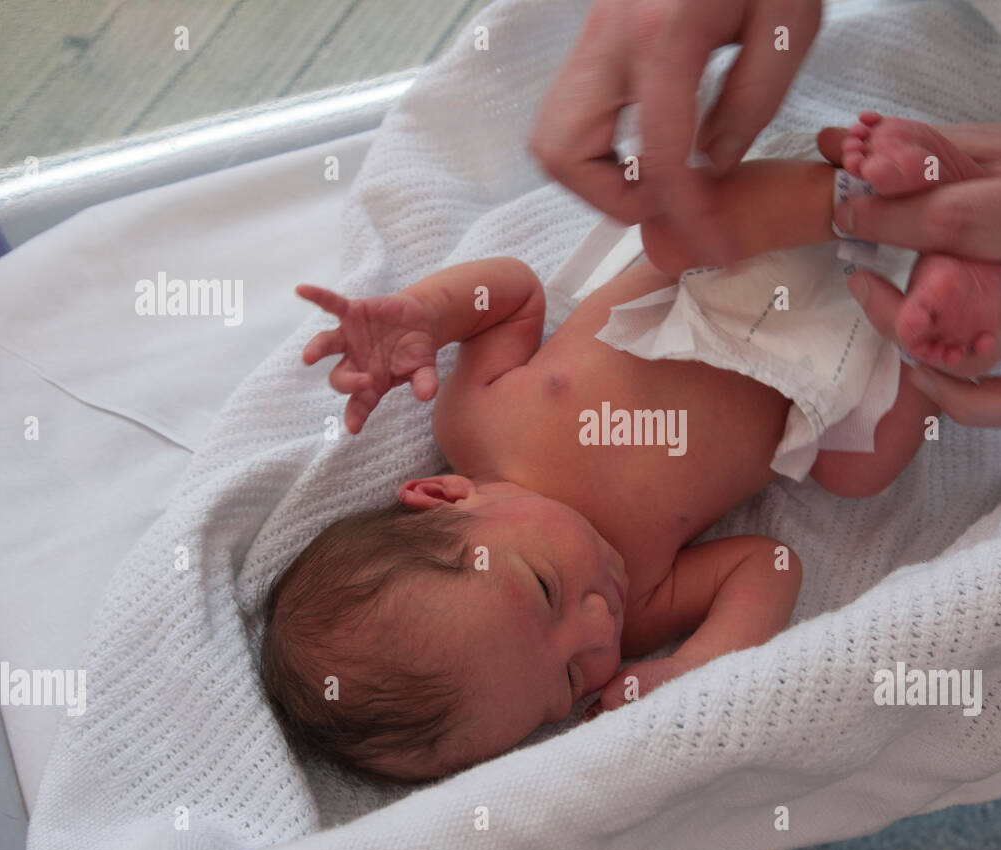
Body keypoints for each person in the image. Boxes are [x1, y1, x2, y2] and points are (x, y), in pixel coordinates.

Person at [263, 152, 939, 781]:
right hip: (833, 358)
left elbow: (514, 294)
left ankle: (847, 189)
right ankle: (928, 292)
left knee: (667, 235)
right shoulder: (641, 604)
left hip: (729, 264)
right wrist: (692, 669)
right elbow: (769, 566)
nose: (595, 628)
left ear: (442, 495)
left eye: (545, 588)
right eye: (565, 683)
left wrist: (430, 313)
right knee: (863, 466)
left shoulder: (479, 422)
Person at [529, 0, 1001, 433]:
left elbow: (505, 294)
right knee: (890, 411)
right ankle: (938, 248)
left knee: (694, 232)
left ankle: (907, 210)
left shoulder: (486, 430)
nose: (594, 631)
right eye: (574, 680)